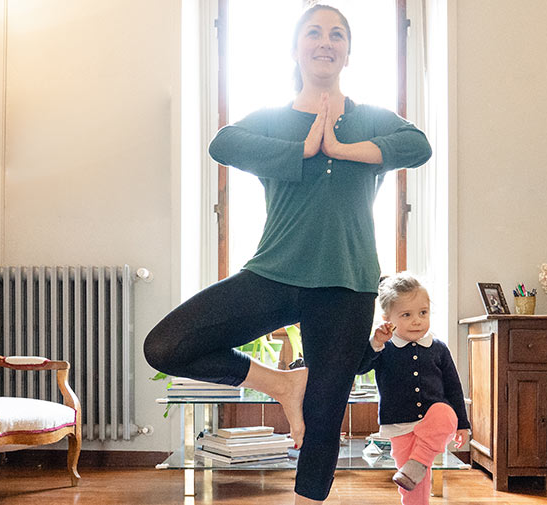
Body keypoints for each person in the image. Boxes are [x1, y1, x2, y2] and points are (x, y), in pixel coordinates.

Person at [143, 4, 431, 503]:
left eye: (337, 34)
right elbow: (222, 143)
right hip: (274, 272)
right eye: (314, 33)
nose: (326, 41)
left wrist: (340, 148)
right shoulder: (275, 120)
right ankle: (280, 383)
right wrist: (302, 151)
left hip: (348, 281)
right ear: (297, 48)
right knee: (166, 345)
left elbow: (418, 145)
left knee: (324, 414)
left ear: (348, 51)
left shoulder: (370, 119)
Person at [358, 272, 470, 505]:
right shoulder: (385, 348)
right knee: (413, 483)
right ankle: (415, 477)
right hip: (400, 426)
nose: (417, 320)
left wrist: (462, 424)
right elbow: (361, 367)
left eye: (423, 313)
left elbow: (453, 387)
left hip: (434, 424)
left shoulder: (438, 348)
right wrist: (376, 343)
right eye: (406, 315)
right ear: (388, 318)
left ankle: (417, 463)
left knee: (444, 412)